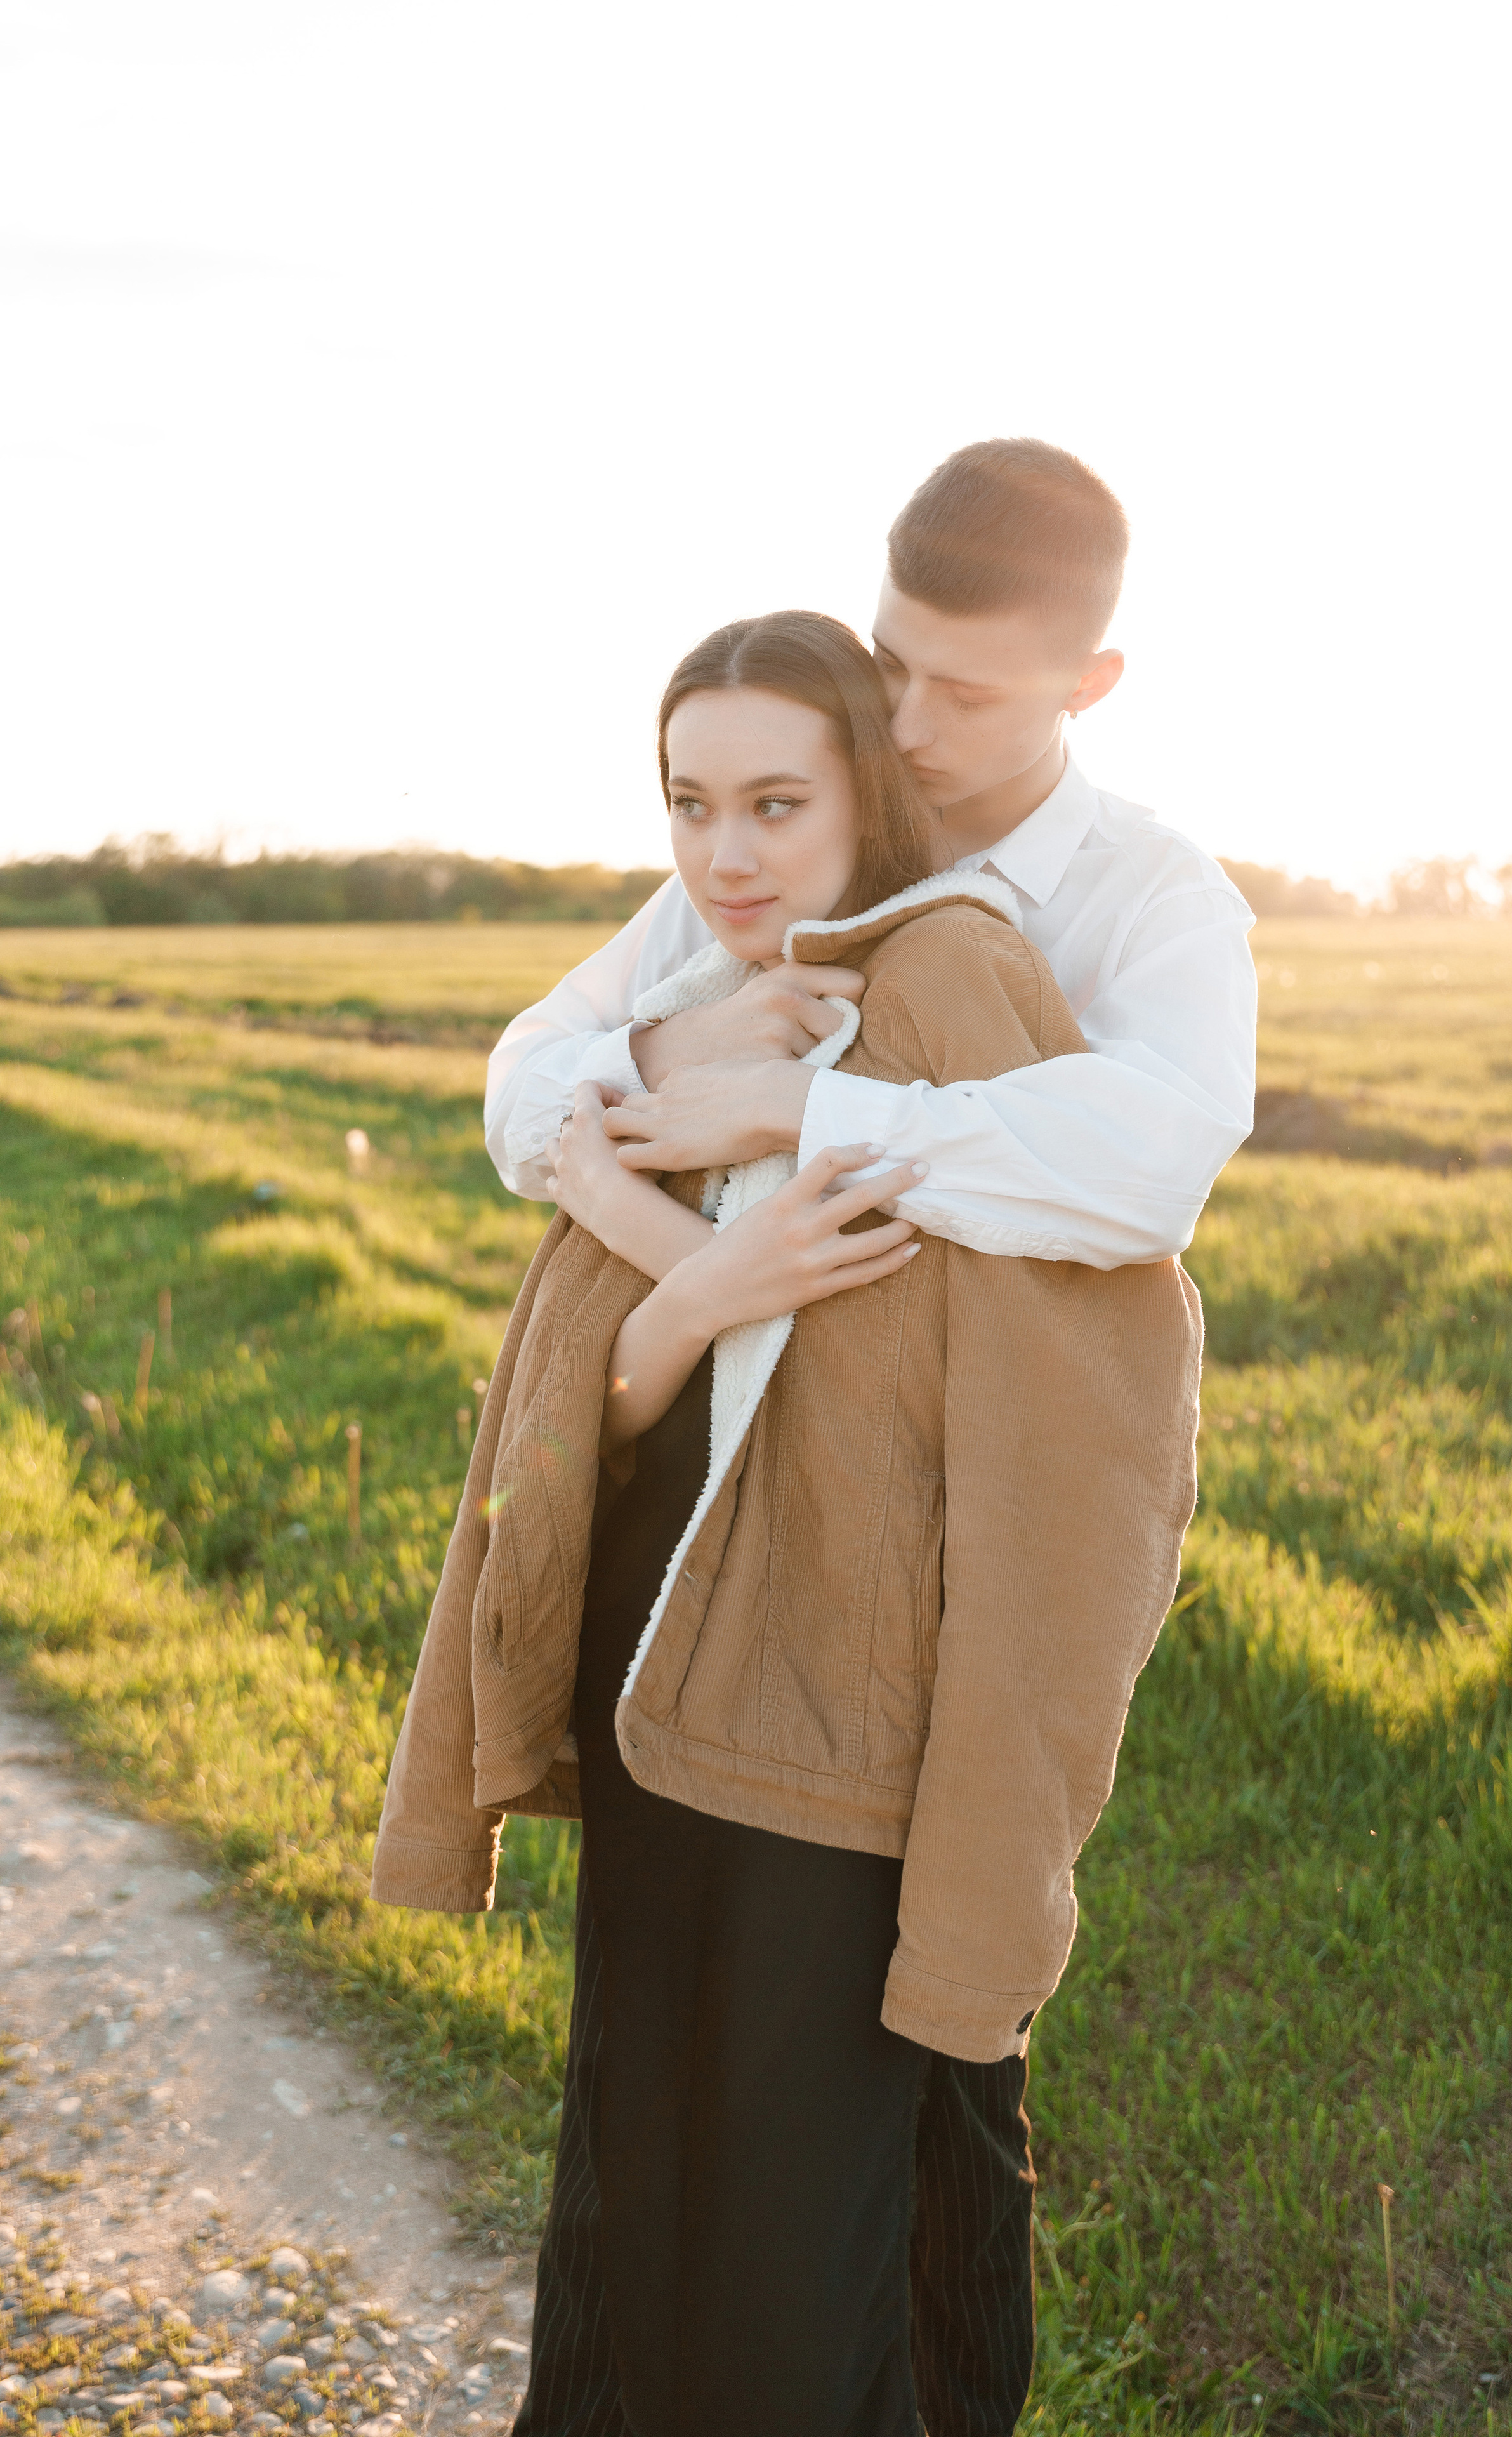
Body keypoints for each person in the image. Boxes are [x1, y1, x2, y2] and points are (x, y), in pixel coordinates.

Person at [371, 611, 1204, 2436]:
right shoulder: (705, 993)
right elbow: (605, 1389)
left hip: (844, 1714)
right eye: (688, 804)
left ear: (875, 793)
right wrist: (682, 1266)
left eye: (772, 801)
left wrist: (652, 1207)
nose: (724, 854)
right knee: (646, 2184)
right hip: (666, 1677)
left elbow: (1006, 1388)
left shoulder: (952, 980)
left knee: (818, 2248)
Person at [485, 437, 1257, 1273]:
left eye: (969, 696)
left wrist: (795, 1107)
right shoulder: (799, 845)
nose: (906, 727)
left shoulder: (1159, 898)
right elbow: (518, 1114)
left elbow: (1147, 1181)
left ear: (1087, 684)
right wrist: (667, 1054)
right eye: (890, 666)